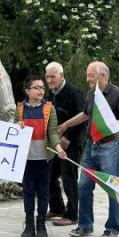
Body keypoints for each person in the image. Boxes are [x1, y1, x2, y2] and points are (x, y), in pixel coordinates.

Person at [57, 61, 119, 237]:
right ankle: (85, 225)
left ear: (102, 76)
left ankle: (112, 229)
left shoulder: (117, 94)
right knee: (83, 186)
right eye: (88, 75)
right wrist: (66, 124)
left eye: (91, 75)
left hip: (111, 147)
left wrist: (108, 126)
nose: (87, 79)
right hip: (91, 146)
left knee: (113, 188)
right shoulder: (92, 93)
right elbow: (85, 114)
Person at [14, 76, 66, 237]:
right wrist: (17, 125)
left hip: (44, 159)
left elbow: (52, 132)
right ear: (27, 91)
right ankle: (29, 225)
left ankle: (41, 224)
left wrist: (59, 149)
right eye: (36, 87)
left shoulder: (49, 108)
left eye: (42, 87)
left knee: (43, 192)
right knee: (28, 192)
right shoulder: (20, 108)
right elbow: (14, 129)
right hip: (26, 159)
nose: (41, 90)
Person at [44, 62, 86, 226]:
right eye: (47, 77)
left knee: (69, 178)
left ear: (61, 76)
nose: (49, 80)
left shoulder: (74, 92)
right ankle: (57, 207)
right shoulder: (51, 93)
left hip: (72, 143)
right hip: (55, 143)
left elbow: (84, 118)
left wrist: (68, 138)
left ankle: (72, 214)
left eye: (52, 76)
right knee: (49, 175)